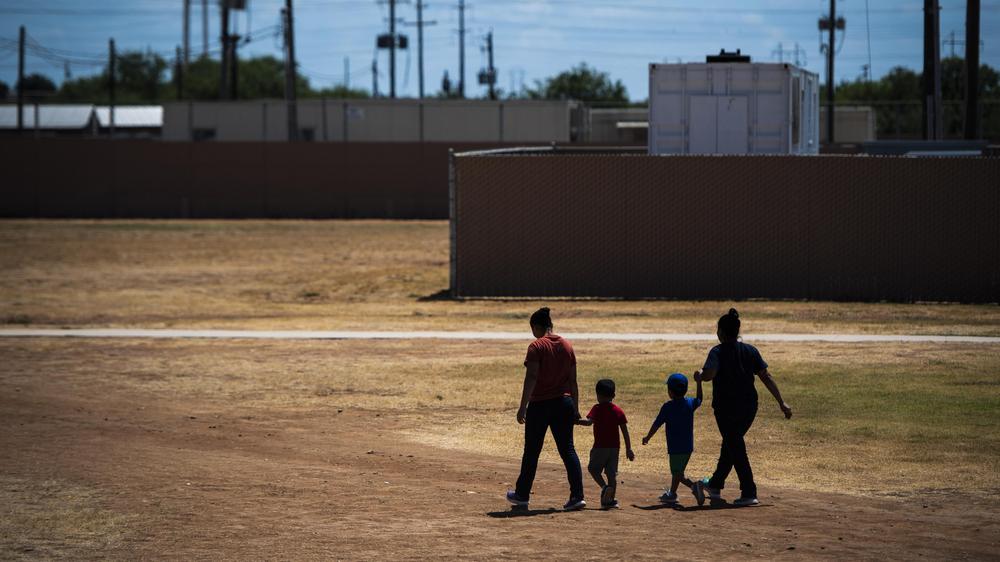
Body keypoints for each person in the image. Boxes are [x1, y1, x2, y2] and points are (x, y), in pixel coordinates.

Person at [695, 308, 793, 506]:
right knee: (731, 444)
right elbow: (766, 376)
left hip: (726, 408)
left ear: (721, 332)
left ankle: (749, 491)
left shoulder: (717, 351)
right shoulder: (750, 350)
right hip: (749, 407)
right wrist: (781, 402)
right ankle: (715, 484)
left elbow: (710, 374)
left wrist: (700, 376)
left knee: (736, 446)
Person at [506, 307, 586, 511]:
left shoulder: (536, 346)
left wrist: (522, 406)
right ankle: (577, 496)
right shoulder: (567, 345)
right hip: (564, 403)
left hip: (540, 404)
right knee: (568, 449)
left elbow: (531, 376)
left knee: (532, 451)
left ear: (535, 326)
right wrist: (576, 408)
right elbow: (573, 380)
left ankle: (522, 495)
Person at [641, 373, 706, 505]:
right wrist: (699, 382)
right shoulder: (690, 403)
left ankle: (694, 487)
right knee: (678, 471)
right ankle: (672, 493)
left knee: (677, 473)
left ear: (670, 391)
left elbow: (656, 424)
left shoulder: (667, 407)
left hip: (675, 447)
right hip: (688, 446)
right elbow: (700, 398)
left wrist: (648, 437)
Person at [575, 379, 635, 508]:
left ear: (598, 395)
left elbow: (588, 422)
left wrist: (576, 421)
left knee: (593, 469)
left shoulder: (596, 409)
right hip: (615, 448)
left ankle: (604, 487)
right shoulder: (618, 411)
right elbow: (625, 431)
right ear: (613, 395)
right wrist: (628, 449)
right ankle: (610, 501)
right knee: (612, 475)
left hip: (600, 447)